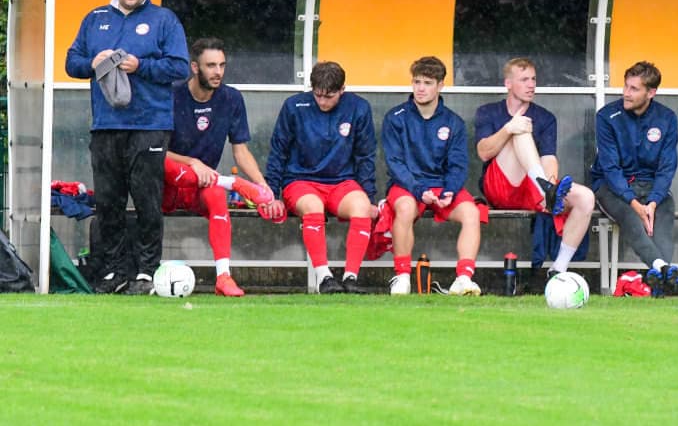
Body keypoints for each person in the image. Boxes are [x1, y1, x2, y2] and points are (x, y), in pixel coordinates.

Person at [65, 0, 189, 295]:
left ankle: (147, 271)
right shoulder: (95, 19)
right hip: (106, 125)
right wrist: (91, 63)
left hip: (149, 124)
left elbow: (180, 68)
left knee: (147, 200)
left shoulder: (164, 20)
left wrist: (141, 66)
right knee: (108, 201)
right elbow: (70, 63)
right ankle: (114, 270)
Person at [162, 37, 274, 297]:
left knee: (216, 196)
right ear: (194, 67)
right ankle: (230, 182)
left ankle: (223, 277)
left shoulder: (231, 98)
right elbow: (156, 149)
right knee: (156, 160)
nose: (218, 72)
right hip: (166, 185)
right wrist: (192, 162)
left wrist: (261, 186)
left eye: (222, 65)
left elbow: (241, 150)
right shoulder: (171, 95)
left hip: (203, 185)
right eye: (211, 65)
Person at [259, 62, 377, 294]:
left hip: (341, 182)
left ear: (343, 89)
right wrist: (272, 194)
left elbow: (365, 156)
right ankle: (324, 278)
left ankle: (351, 278)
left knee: (362, 206)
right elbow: (278, 151)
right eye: (318, 95)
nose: (322, 101)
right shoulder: (294, 106)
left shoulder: (359, 108)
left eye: (329, 96)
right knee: (313, 207)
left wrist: (370, 197)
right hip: (300, 181)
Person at [474, 57, 595, 280]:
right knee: (520, 127)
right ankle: (546, 190)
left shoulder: (546, 117)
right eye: (524, 80)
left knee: (586, 197)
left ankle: (558, 269)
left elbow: (549, 158)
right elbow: (483, 152)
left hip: (533, 189)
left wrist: (550, 181)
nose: (531, 85)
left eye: (533, 79)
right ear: (508, 84)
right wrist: (508, 128)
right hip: (500, 187)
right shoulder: (488, 111)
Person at [381, 56, 485, 296]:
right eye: (416, 81)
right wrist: (419, 190)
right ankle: (402, 276)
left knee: (471, 212)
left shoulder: (454, 122)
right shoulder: (395, 117)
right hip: (407, 186)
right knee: (406, 208)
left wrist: (450, 191)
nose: (420, 88)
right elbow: (395, 163)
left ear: (440, 86)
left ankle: (464, 278)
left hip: (441, 187)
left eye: (427, 82)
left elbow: (458, 165)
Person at [590, 61, 678, 297]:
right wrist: (634, 202)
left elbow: (667, 166)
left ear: (651, 93)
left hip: (651, 188)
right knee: (631, 216)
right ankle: (662, 268)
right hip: (612, 187)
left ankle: (658, 283)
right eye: (626, 86)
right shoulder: (607, 116)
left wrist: (653, 201)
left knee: (666, 209)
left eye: (634, 89)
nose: (626, 93)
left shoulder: (667, 118)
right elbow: (610, 168)